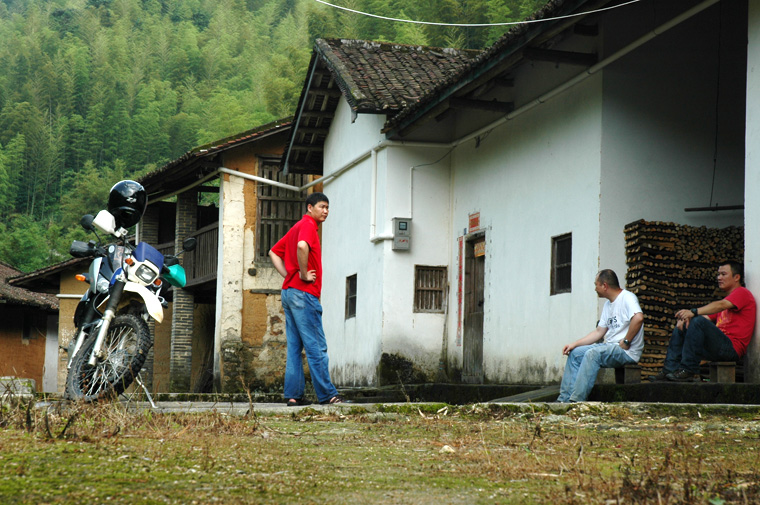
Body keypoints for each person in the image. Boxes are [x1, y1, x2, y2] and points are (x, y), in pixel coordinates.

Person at [269, 192, 345, 405]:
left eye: (328, 207)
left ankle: (293, 396)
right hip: (304, 294)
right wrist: (302, 274)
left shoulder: (296, 227)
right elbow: (302, 246)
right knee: (316, 346)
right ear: (310, 208)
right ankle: (328, 395)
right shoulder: (308, 225)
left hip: (289, 293)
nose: (326, 211)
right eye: (322, 206)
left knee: (294, 347)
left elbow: (273, 252)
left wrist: (288, 275)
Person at [649, 261, 756, 382]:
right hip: (718, 346)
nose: (719, 278)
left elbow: (719, 306)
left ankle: (688, 370)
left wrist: (693, 312)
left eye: (723, 274)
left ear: (736, 277)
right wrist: (686, 320)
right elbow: (705, 318)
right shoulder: (727, 300)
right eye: (718, 274)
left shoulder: (742, 293)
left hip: (731, 349)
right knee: (685, 325)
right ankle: (669, 369)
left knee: (697, 320)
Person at [557, 269, 645, 403]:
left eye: (596, 284)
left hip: (626, 351)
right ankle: (563, 401)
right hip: (609, 347)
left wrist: (627, 341)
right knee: (575, 354)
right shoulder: (608, 304)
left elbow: (638, 318)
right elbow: (599, 332)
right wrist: (574, 344)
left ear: (604, 286)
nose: (595, 288)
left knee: (593, 354)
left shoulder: (628, 298)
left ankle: (575, 402)